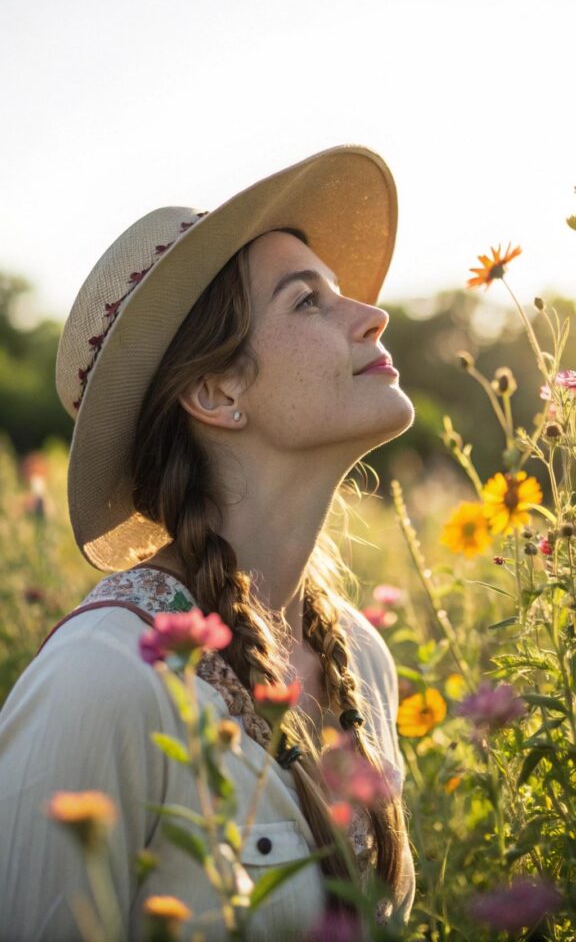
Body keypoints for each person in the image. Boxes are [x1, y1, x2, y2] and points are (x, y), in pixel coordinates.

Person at [0, 145, 416, 941]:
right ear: (216, 390)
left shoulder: (359, 656)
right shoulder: (100, 681)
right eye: (308, 302)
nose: (372, 313)